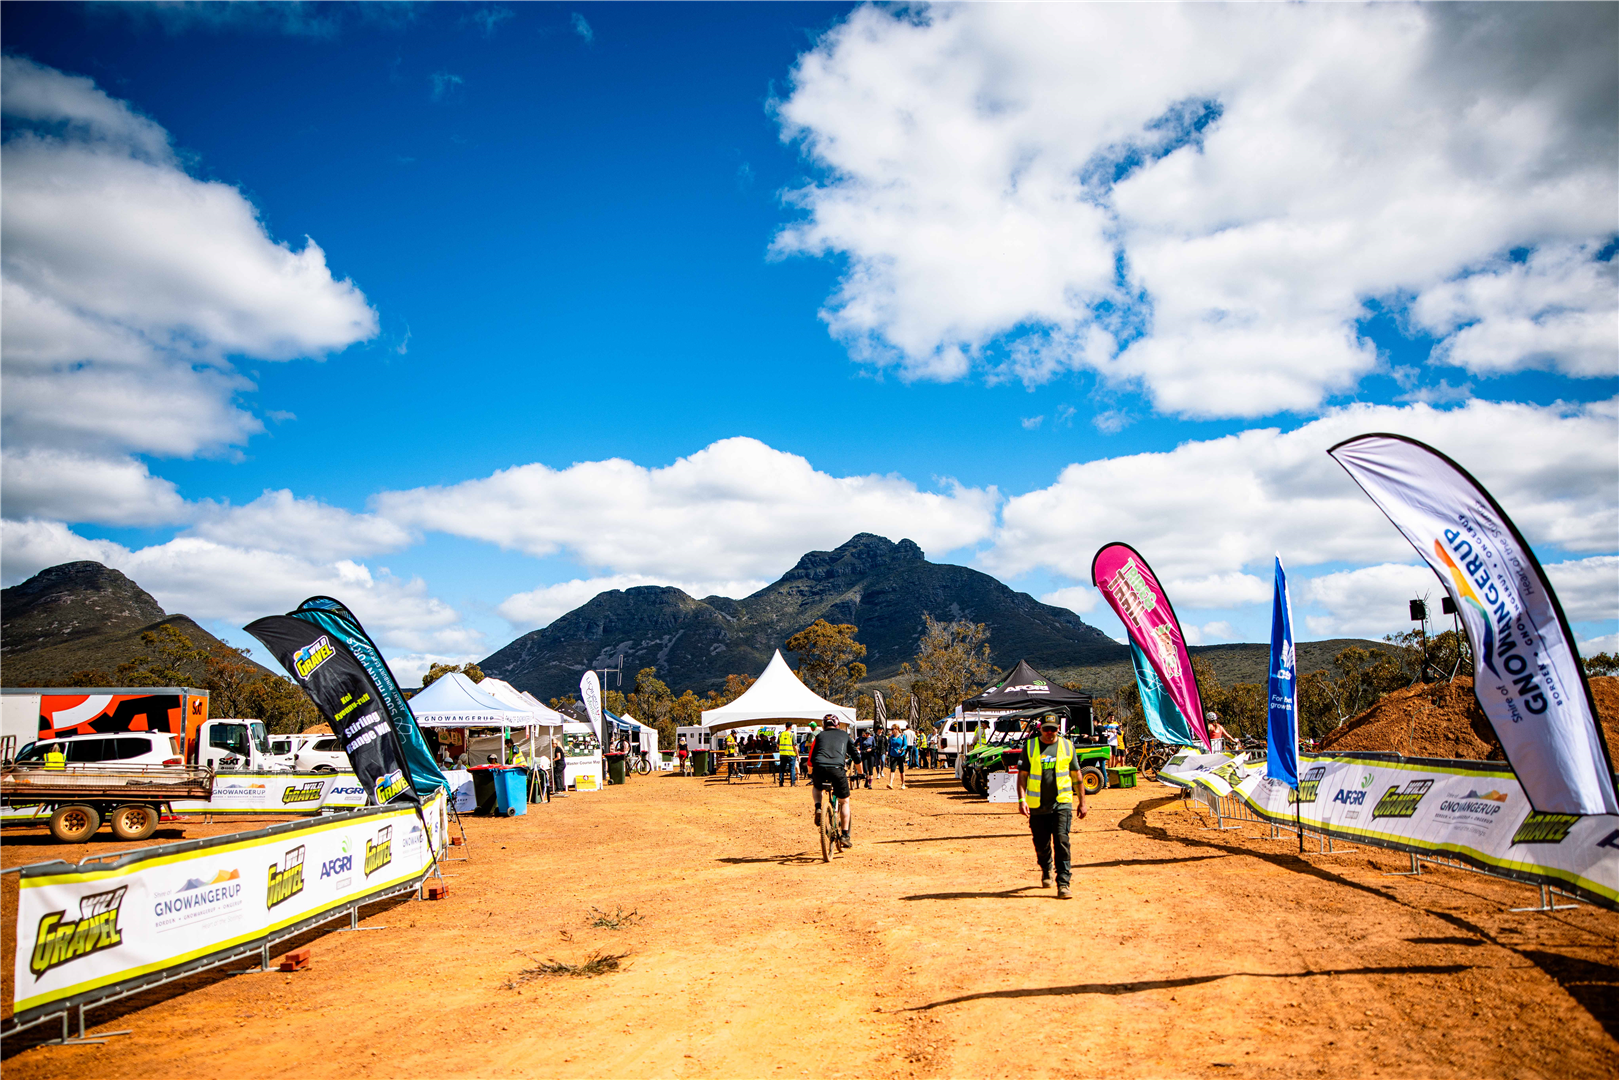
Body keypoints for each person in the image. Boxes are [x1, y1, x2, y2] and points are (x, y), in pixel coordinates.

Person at [1016, 716, 1088, 899]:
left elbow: (1076, 774)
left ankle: (1063, 883)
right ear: (1040, 729)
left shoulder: (1067, 746)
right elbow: (1022, 775)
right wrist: (1022, 799)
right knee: (1041, 843)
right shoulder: (1030, 746)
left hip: (1061, 803)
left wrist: (1082, 802)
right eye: (1046, 729)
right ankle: (1046, 867)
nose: (1050, 733)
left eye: (1053, 729)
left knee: (1062, 841)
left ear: (1058, 729)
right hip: (1037, 805)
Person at [808, 714, 856, 847]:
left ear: (824, 726)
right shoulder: (844, 735)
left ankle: (818, 807)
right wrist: (862, 773)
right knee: (844, 801)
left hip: (819, 768)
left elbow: (811, 757)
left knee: (817, 787)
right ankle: (845, 836)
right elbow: (855, 756)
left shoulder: (819, 736)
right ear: (837, 725)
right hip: (837, 770)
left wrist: (810, 773)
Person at [885, 724, 907, 790]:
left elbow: (905, 745)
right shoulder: (891, 737)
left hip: (900, 755)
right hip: (893, 755)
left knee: (901, 770)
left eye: (893, 729)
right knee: (892, 769)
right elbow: (889, 746)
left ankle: (903, 784)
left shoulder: (902, 736)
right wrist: (888, 755)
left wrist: (902, 749)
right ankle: (890, 783)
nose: (892, 731)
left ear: (897, 729)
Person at [777, 723, 799, 787]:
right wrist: (797, 754)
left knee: (782, 769)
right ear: (791, 727)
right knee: (792, 769)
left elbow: (778, 745)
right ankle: (792, 783)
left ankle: (781, 783)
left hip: (782, 754)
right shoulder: (792, 734)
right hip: (791, 754)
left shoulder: (781, 734)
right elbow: (794, 745)